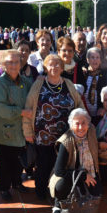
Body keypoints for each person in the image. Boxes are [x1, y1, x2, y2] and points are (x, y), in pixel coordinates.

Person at [22, 54, 85, 200]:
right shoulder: (38, 84)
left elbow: (79, 104)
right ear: (45, 67)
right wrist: (27, 131)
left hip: (65, 135)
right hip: (43, 134)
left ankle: (59, 192)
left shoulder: (68, 84)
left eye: (58, 64)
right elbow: (28, 108)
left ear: (62, 68)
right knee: (43, 165)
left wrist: (82, 122)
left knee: (62, 165)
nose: (54, 67)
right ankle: (41, 191)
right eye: (51, 64)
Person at [48, 108, 102, 213]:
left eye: (84, 123)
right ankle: (58, 205)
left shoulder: (91, 131)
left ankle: (81, 193)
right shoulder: (66, 141)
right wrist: (83, 176)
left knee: (97, 192)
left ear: (88, 124)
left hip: (90, 172)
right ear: (71, 125)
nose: (81, 127)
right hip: (70, 176)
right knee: (61, 186)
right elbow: (59, 171)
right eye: (77, 123)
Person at [0, 50, 32, 201]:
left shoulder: (25, 82)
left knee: (18, 161)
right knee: (4, 163)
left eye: (16, 62)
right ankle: (4, 188)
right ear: (3, 64)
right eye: (9, 62)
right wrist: (21, 112)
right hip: (5, 133)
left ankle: (16, 183)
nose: (14, 65)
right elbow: (0, 109)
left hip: (20, 131)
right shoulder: (0, 84)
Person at [81, 47, 107, 120]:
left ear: (100, 60)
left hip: (100, 113)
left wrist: (103, 107)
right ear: (87, 60)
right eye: (92, 57)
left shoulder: (105, 74)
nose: (95, 60)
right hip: (84, 112)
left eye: (97, 57)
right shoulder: (83, 74)